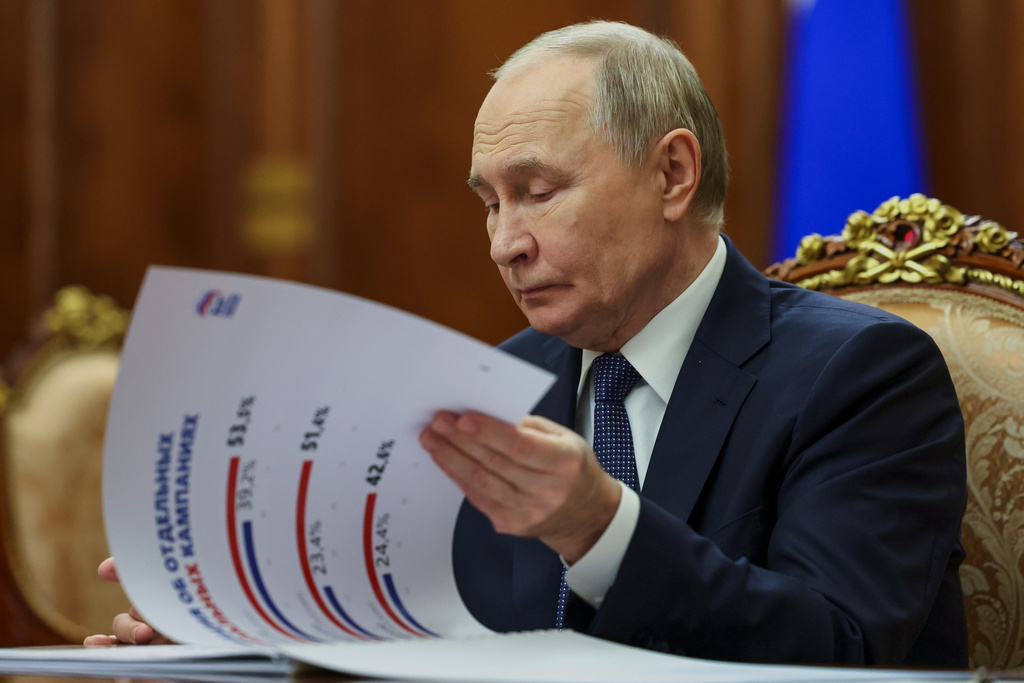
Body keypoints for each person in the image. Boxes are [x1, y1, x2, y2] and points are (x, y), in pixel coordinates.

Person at [89, 20, 968, 666]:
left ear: (673, 173)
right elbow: (433, 644)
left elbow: (845, 650)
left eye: (537, 191)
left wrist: (600, 527)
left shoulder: (862, 374)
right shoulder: (492, 388)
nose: (505, 241)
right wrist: (233, 638)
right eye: (489, 202)